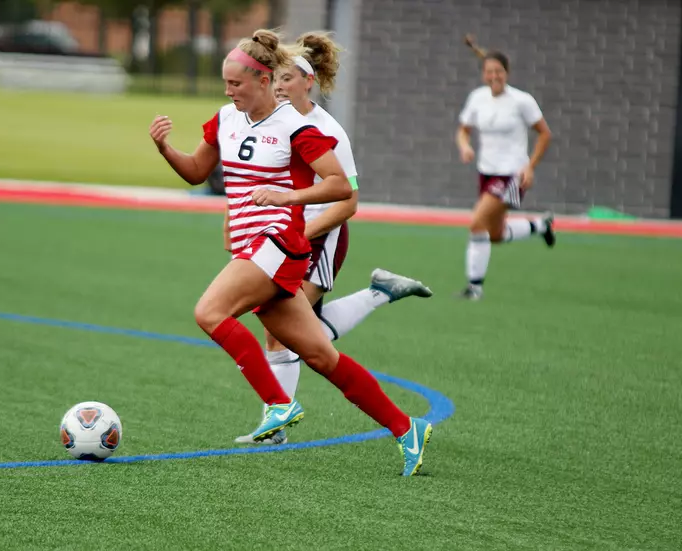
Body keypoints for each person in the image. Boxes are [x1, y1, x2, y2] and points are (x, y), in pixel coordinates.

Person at [149, 29, 433, 476]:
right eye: (225, 83)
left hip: (279, 243)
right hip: (254, 247)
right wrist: (165, 148)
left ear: (264, 80)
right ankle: (406, 428)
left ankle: (279, 404)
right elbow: (195, 172)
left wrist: (287, 198)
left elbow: (340, 186)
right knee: (322, 356)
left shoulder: (297, 127)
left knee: (209, 312)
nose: (228, 91)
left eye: (236, 84)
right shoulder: (224, 118)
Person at [233, 31, 432, 445]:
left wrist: (298, 234)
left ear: (309, 81)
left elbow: (349, 202)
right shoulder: (278, 121)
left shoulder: (329, 132)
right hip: (286, 238)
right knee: (298, 331)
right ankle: (379, 292)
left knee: (286, 331)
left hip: (320, 237)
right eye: (277, 78)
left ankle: (277, 427)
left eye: (288, 78)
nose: (280, 85)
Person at [455, 40, 554, 301]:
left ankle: (474, 288)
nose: (494, 76)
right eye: (489, 71)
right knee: (495, 234)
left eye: (498, 71)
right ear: (483, 74)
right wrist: (465, 146)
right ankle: (540, 226)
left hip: (512, 175)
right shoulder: (477, 98)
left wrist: (530, 167)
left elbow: (544, 134)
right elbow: (463, 130)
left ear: (506, 73)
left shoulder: (522, 101)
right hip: (486, 172)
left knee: (477, 223)